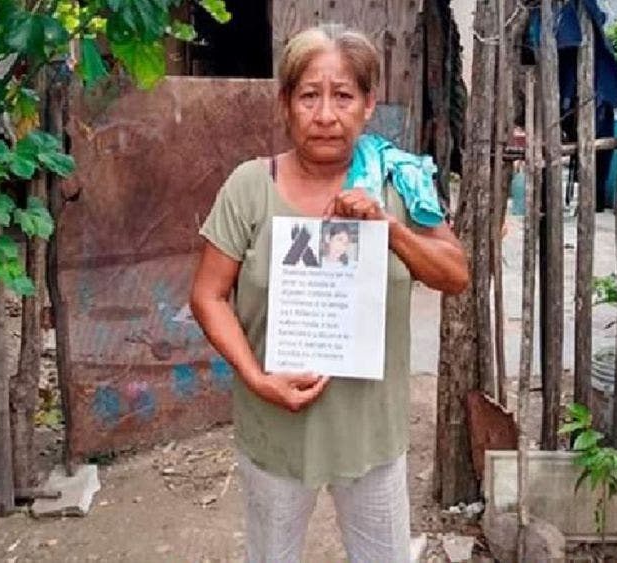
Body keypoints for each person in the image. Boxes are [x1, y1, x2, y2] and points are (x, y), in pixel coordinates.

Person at [190, 23, 469, 562]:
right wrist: (257, 378)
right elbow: (208, 295)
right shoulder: (250, 186)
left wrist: (389, 229)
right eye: (308, 96)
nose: (325, 115)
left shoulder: (397, 181)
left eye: (343, 96)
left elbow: (455, 275)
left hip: (371, 435)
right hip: (275, 428)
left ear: (368, 105)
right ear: (285, 104)